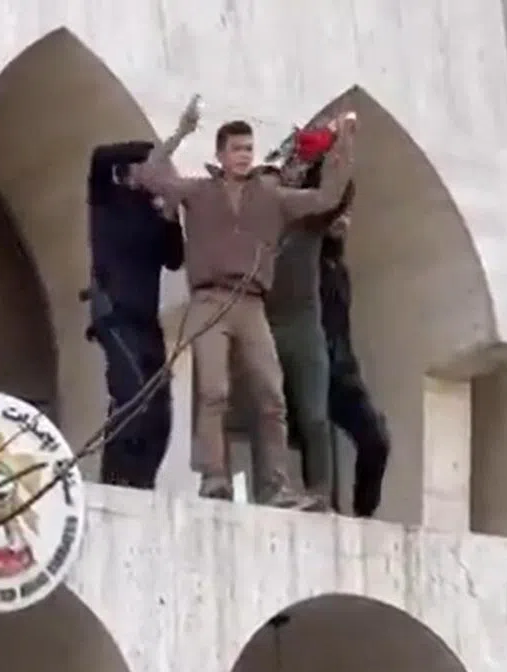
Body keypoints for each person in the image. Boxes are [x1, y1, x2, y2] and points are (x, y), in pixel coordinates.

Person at [132, 97, 356, 508]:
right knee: (214, 390)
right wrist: (181, 133)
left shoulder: (271, 196)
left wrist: (343, 146)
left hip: (252, 303)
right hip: (209, 300)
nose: (243, 156)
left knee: (271, 393)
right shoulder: (198, 191)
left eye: (248, 149)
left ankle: (275, 486)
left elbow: (327, 197)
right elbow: (148, 175)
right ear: (220, 154)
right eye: (236, 149)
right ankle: (213, 478)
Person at [255, 125, 355, 506]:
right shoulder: (260, 214)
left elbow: (339, 197)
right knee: (266, 409)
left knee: (315, 414)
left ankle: (320, 494)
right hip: (262, 322)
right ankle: (271, 487)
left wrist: (338, 147)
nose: (292, 172)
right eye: (288, 166)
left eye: (299, 166)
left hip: (302, 325)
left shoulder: (309, 215)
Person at [85, 140, 184, 489]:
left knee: (160, 411)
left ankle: (143, 482)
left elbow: (175, 258)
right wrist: (155, 149)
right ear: (130, 170)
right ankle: (114, 479)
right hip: (114, 314)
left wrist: (171, 214)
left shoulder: (153, 212)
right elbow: (99, 156)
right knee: (132, 395)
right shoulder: (105, 199)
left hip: (146, 321)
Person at [319, 208, 391, 518]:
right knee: (315, 437)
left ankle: (364, 513)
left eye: (347, 216)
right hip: (308, 366)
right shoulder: (303, 261)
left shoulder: (339, 269)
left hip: (343, 370)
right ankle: (321, 502)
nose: (343, 222)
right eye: (336, 215)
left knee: (376, 440)